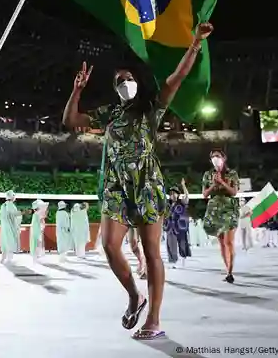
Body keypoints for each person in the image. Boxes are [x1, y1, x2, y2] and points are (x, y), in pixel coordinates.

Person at [62, 22, 213, 341]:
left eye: (128, 78)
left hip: (146, 184)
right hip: (116, 185)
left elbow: (177, 77)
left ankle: (154, 318)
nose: (125, 83)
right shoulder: (110, 114)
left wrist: (196, 42)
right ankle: (135, 296)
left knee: (151, 251)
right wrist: (77, 90)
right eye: (119, 81)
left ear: (137, 82)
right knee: (109, 246)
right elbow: (70, 121)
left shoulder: (151, 109)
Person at [202, 150, 239, 283]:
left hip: (229, 209)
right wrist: (213, 184)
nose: (215, 158)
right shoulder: (207, 174)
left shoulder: (232, 174)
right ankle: (227, 270)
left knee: (228, 242)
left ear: (224, 157)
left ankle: (230, 271)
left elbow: (234, 192)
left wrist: (222, 183)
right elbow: (205, 194)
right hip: (214, 211)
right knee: (221, 243)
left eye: (218, 156)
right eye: (212, 156)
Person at [165, 180, 191, 268]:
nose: (173, 195)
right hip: (170, 227)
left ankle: (183, 258)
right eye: (171, 193)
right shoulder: (168, 205)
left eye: (175, 193)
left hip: (180, 227)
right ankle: (173, 261)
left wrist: (183, 185)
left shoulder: (182, 203)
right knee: (170, 243)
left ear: (178, 194)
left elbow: (187, 197)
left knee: (182, 243)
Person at [0, 190, 23, 264]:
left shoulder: (3, 205)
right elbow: (14, 215)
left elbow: (1, 216)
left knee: (4, 242)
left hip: (4, 227)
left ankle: (3, 258)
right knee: (10, 242)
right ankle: (9, 259)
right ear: (12, 197)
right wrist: (22, 213)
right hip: (10, 227)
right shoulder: (11, 205)